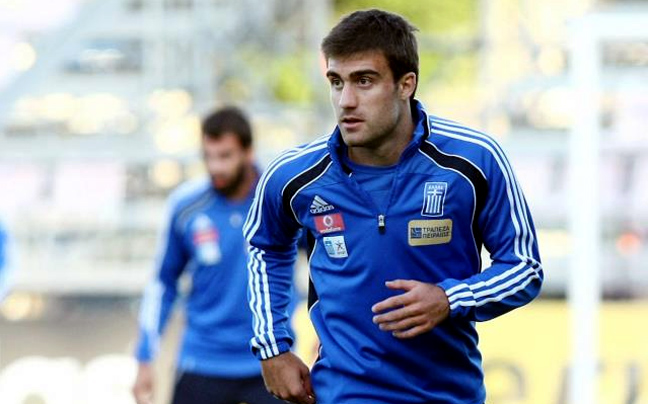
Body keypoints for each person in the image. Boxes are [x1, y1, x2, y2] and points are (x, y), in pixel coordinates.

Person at [243, 9, 543, 404]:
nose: (346, 101)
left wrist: (450, 299)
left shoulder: (473, 161)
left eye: (364, 81)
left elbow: (524, 267)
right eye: (336, 82)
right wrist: (272, 347)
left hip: (448, 396)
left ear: (406, 84)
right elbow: (264, 246)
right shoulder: (295, 175)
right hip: (343, 395)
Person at [132, 107, 284, 404]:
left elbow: (322, 268)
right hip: (202, 363)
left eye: (225, 156)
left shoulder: (279, 202)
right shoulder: (187, 207)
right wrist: (145, 357)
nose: (216, 167)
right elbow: (163, 284)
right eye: (208, 157)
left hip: (272, 360)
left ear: (248, 152)